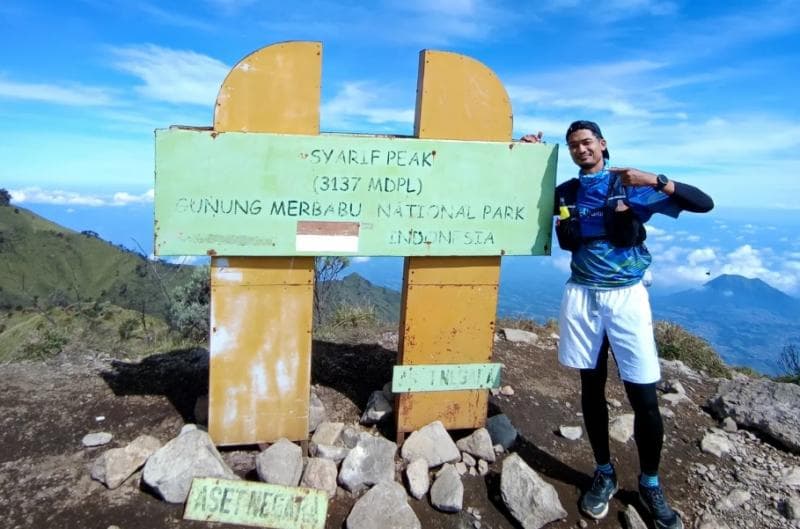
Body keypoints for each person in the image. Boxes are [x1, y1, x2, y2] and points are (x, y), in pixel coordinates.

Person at [522, 121, 713, 529]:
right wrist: (526, 156)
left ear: (602, 144)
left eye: (586, 142)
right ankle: (604, 472)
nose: (580, 149)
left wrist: (655, 179)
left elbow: (703, 203)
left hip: (627, 297)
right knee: (591, 388)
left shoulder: (631, 187)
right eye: (573, 145)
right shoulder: (566, 193)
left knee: (643, 395)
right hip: (582, 296)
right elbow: (518, 197)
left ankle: (650, 483)